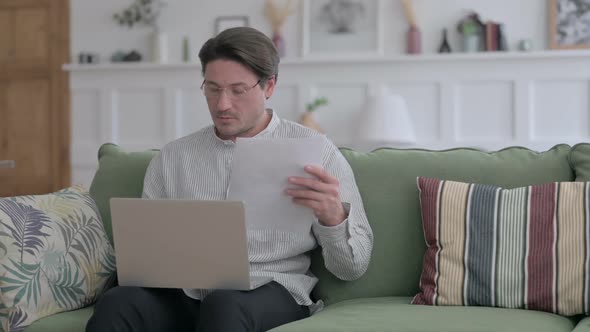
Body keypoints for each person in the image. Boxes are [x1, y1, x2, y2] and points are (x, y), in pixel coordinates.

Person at [86, 27, 373, 332]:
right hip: (184, 293)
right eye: (212, 88)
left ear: (269, 86)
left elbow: (352, 269)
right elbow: (146, 255)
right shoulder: (173, 157)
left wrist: (333, 218)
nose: (222, 105)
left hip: (270, 290)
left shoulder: (317, 153)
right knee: (118, 302)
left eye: (238, 90)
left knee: (224, 304)